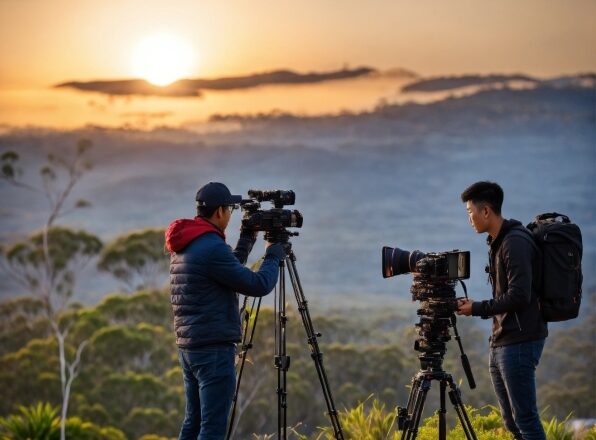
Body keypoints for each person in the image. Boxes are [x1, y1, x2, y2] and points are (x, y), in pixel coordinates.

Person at [165, 181, 286, 440]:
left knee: (193, 423)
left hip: (190, 347)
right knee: (212, 429)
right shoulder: (211, 247)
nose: (231, 214)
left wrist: (247, 238)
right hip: (213, 351)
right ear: (219, 211)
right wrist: (273, 256)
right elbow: (258, 284)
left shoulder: (187, 243)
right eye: (230, 208)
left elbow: (225, 269)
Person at [457, 181, 547, 440]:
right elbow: (507, 295)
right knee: (512, 422)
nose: (469, 218)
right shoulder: (498, 242)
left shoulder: (514, 243)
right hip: (502, 340)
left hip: (520, 341)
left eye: (469, 211)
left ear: (486, 211)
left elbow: (520, 295)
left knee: (525, 420)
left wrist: (477, 308)